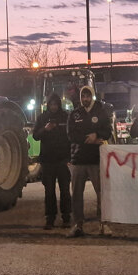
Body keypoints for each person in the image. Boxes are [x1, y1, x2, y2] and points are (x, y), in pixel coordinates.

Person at [66, 85, 113, 238]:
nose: (85, 99)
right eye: (83, 96)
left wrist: (97, 134)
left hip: (96, 159)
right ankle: (78, 225)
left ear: (92, 96)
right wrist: (89, 139)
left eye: (87, 96)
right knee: (77, 194)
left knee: (101, 193)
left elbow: (108, 131)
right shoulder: (74, 114)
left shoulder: (101, 112)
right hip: (78, 160)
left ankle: (103, 224)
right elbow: (71, 135)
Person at [32, 94, 72, 230]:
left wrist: (70, 158)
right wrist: (45, 129)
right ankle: (50, 219)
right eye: (51, 104)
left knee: (65, 190)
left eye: (56, 104)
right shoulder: (42, 118)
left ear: (59, 104)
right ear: (48, 105)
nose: (54, 107)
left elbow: (71, 136)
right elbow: (35, 136)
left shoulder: (66, 117)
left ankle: (66, 217)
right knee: (49, 191)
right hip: (48, 160)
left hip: (63, 160)